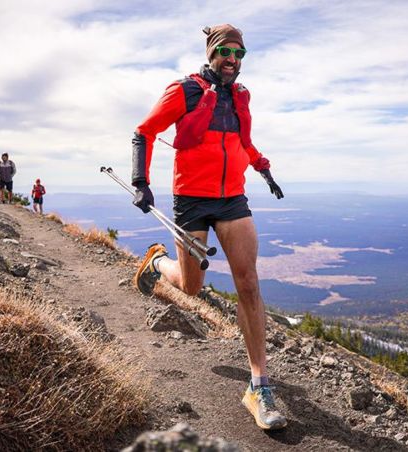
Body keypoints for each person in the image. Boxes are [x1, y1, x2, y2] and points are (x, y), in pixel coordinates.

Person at [131, 24, 286, 430]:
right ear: (211, 52)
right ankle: (158, 263)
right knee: (190, 286)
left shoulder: (240, 97)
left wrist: (263, 169)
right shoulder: (185, 90)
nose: (232, 60)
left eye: (239, 53)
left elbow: (245, 142)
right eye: (225, 52)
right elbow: (144, 132)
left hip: (233, 198)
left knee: (248, 283)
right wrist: (140, 182)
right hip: (192, 199)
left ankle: (258, 386)